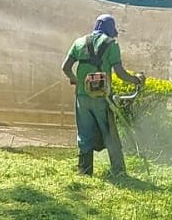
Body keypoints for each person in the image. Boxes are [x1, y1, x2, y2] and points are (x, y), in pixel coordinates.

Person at [61, 14, 143, 176]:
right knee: (110, 133)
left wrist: (77, 80)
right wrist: (136, 80)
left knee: (84, 133)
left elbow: (65, 67)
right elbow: (119, 73)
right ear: (110, 29)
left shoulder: (79, 42)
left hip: (82, 97)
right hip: (102, 97)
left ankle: (84, 171)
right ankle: (118, 172)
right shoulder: (111, 44)